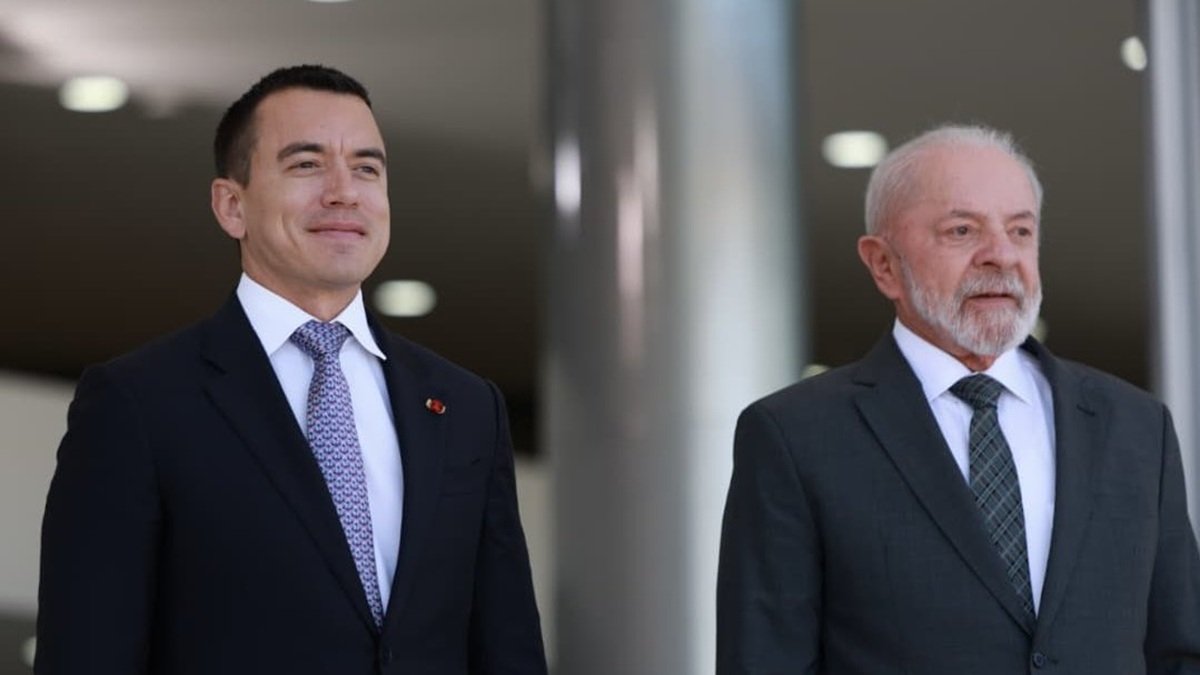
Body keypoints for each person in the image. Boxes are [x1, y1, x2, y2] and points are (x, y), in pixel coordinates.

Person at [37, 64, 548, 675]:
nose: (343, 191)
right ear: (231, 206)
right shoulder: (139, 403)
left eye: (366, 168)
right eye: (306, 164)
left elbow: (508, 644)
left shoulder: (466, 406)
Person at [716, 124, 1200, 674]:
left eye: (1020, 231)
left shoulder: (1136, 428)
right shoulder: (795, 437)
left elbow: (1178, 652)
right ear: (883, 264)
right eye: (962, 230)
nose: (1000, 255)